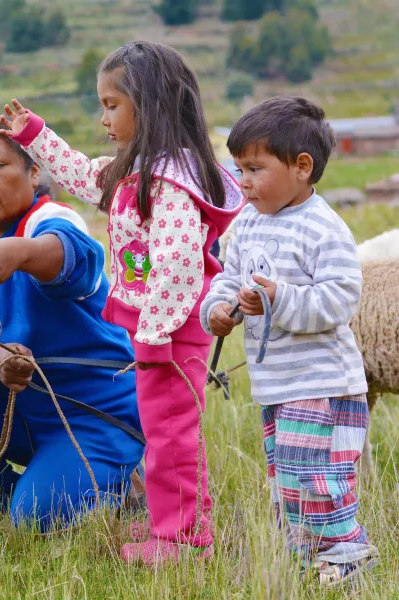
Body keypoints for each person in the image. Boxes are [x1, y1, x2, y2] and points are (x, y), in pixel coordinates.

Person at [1, 41, 244, 565]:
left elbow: (179, 263)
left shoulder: (169, 182)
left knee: (170, 436)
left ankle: (182, 540)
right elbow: (85, 177)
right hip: (161, 327)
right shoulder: (141, 171)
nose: (104, 117)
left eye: (112, 105)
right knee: (169, 431)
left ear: (149, 104)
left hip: (170, 330)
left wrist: (154, 335)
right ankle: (185, 527)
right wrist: (35, 136)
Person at [201, 96, 379, 586]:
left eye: (255, 169)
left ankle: (347, 553)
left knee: (317, 476)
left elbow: (339, 300)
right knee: (287, 477)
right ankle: (304, 559)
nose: (244, 182)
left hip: (322, 382)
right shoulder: (249, 224)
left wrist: (280, 299)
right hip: (277, 385)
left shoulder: (325, 228)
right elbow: (227, 276)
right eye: (239, 169)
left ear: (302, 167)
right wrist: (217, 310)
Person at [0, 114, 145, 532]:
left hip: (91, 416)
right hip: (12, 412)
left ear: (34, 172)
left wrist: (19, 253)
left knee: (37, 519)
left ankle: (119, 480)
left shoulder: (50, 222)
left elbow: (77, 259)